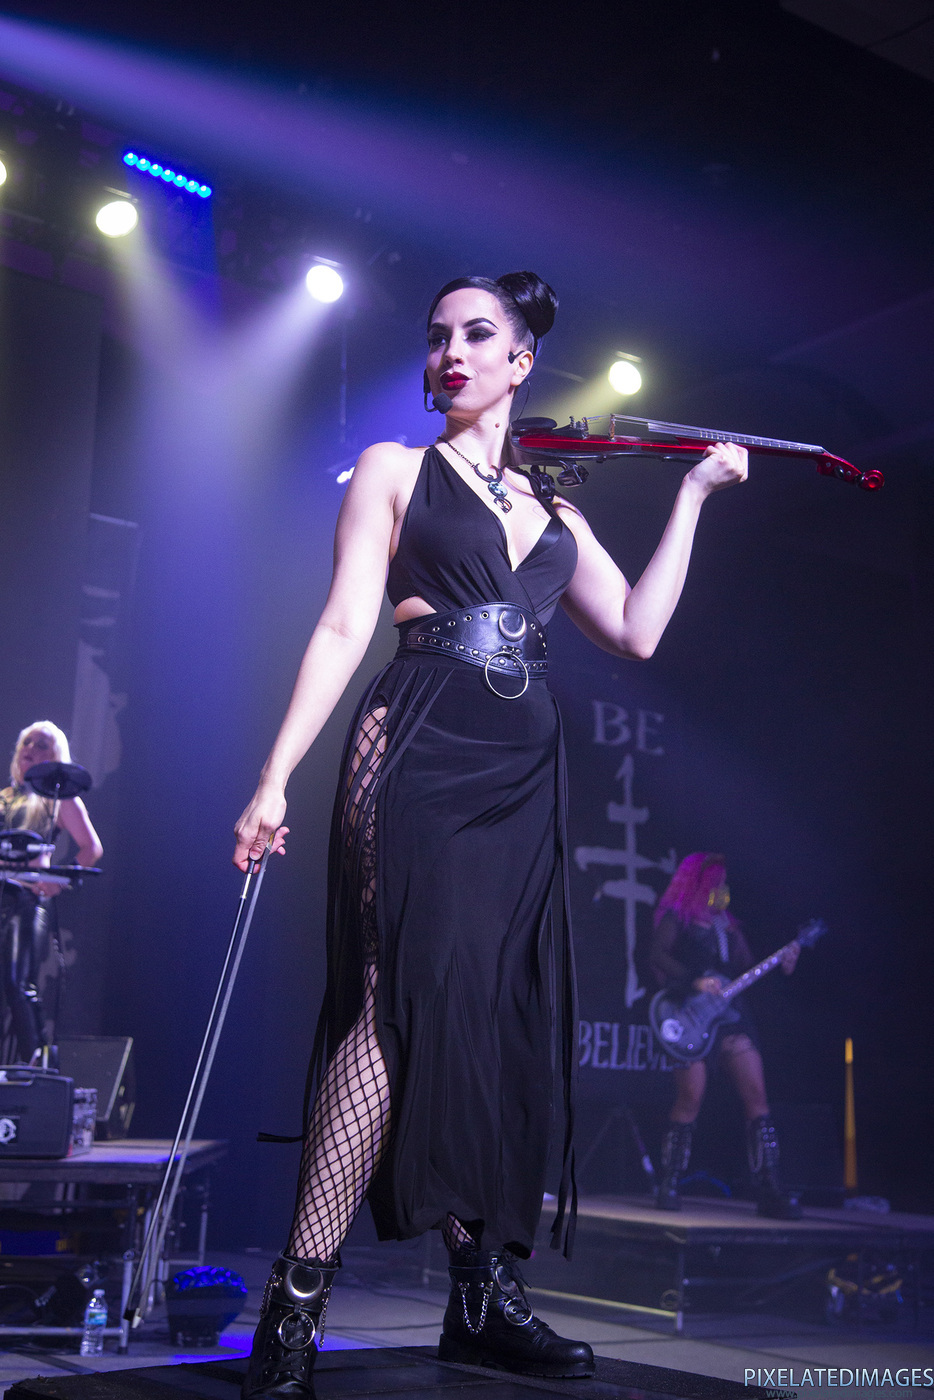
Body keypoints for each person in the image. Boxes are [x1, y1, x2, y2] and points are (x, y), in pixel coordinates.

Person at [233, 271, 747, 1397]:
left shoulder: (559, 511)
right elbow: (343, 622)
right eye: (437, 337)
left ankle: (479, 1299)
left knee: (496, 1020)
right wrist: (274, 777)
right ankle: (295, 1310)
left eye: (477, 335)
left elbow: (637, 631)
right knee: (392, 1000)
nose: (450, 353)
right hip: (417, 741)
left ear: (522, 362)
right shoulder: (393, 469)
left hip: (521, 771)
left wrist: (695, 496)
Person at [647, 852, 801, 1218]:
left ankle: (770, 1188)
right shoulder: (678, 920)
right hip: (690, 1014)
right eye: (713, 880)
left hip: (731, 1017)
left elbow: (747, 970)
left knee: (757, 1096)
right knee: (690, 1097)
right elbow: (656, 955)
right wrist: (694, 980)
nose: (720, 887)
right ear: (696, 883)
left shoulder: (728, 926)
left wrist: (784, 963)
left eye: (723, 881)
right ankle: (670, 1182)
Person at [0, 721, 103, 1064]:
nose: (30, 748)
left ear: (55, 755)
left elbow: (91, 848)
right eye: (26, 742)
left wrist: (56, 883)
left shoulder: (57, 799)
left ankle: (37, 1066)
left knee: (18, 984)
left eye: (41, 744)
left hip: (26, 899)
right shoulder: (5, 798)